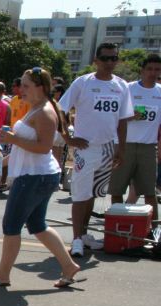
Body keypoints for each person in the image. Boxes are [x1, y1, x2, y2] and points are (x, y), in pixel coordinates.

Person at [0, 67, 81, 289]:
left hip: (35, 177)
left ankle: (2, 275)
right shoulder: (35, 108)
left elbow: (44, 147)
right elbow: (24, 150)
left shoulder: (44, 112)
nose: (20, 89)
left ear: (40, 87)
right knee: (37, 225)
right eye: (21, 85)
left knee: (11, 225)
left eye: (25, 86)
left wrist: (13, 139)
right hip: (38, 175)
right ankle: (69, 266)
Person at [59, 42, 133, 257]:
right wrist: (68, 138)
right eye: (105, 58)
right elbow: (60, 109)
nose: (110, 62)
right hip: (85, 147)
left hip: (108, 147)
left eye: (113, 58)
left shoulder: (122, 86)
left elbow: (122, 121)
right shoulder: (83, 83)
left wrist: (121, 149)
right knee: (80, 195)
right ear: (96, 61)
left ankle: (83, 235)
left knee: (94, 193)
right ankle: (76, 240)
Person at [109, 54, 161, 226]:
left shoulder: (160, 92)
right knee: (117, 189)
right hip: (125, 145)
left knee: (149, 192)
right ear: (142, 71)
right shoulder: (128, 89)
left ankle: (154, 231)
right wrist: (130, 116)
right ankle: (118, 226)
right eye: (149, 69)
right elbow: (113, 115)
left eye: (157, 69)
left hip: (148, 147)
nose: (153, 73)